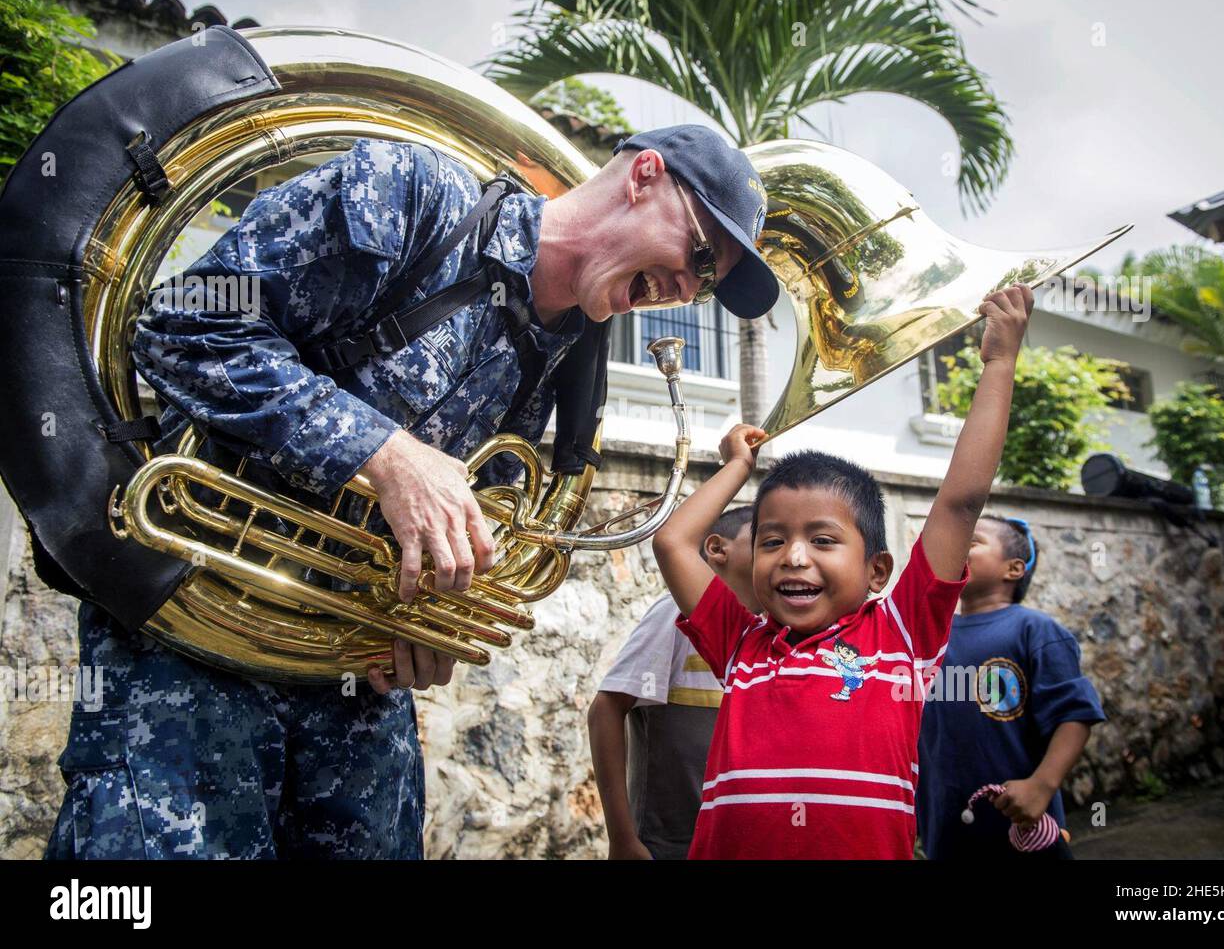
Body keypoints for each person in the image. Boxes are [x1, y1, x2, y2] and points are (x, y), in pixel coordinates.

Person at [47, 122, 780, 859]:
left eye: (708, 281)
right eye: (699, 252)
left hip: (347, 683)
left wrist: (426, 617)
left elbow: (474, 518)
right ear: (644, 174)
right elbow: (183, 316)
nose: (689, 287)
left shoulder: (568, 352)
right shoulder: (412, 193)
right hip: (187, 649)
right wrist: (384, 453)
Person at [651, 284, 1035, 859]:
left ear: (878, 570)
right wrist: (738, 467)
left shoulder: (902, 634)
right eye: (772, 540)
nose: (794, 557)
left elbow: (960, 501)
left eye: (823, 540)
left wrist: (999, 362)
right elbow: (673, 541)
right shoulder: (741, 646)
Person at [917, 515, 1106, 860]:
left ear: (1014, 569)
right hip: (945, 833)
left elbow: (1076, 715)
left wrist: (1041, 786)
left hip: (1022, 829)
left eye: (972, 542)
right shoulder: (930, 638)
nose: (956, 546)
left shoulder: (1035, 631)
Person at [589, 505, 756, 860]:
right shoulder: (676, 614)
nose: (786, 553)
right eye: (768, 540)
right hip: (670, 846)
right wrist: (622, 838)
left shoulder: (771, 629)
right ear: (717, 549)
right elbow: (606, 708)